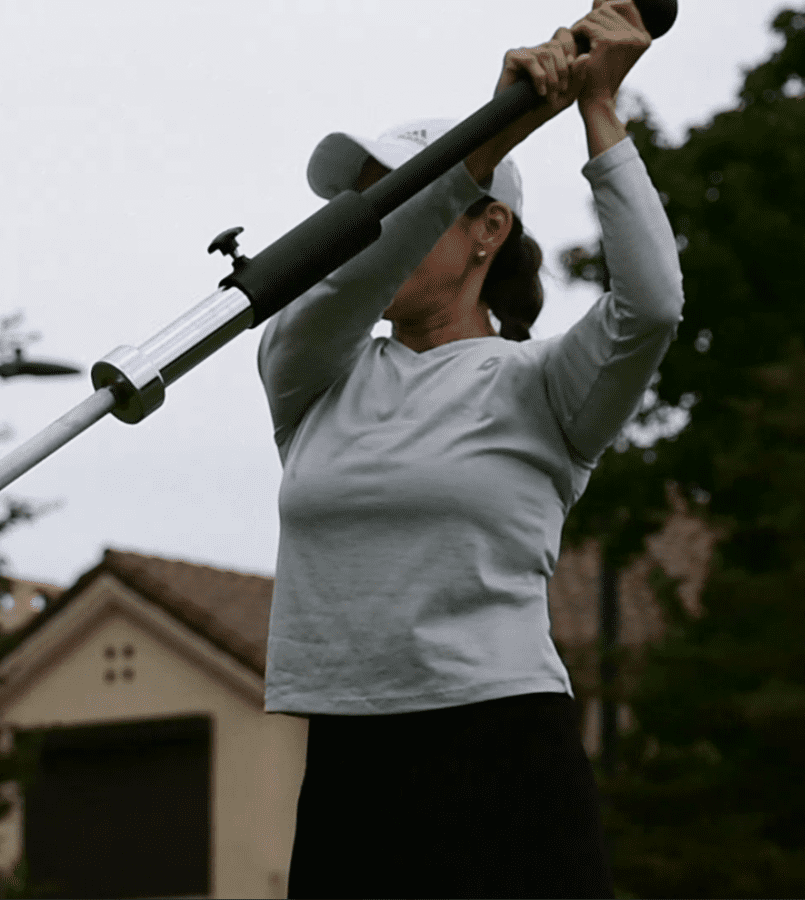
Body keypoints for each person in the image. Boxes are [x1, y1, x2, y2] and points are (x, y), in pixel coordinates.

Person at [258, 1, 684, 896]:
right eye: (357, 205)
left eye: (395, 198)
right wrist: (478, 152)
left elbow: (649, 307)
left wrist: (598, 108)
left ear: (488, 231)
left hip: (504, 755)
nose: (365, 224)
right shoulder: (308, 369)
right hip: (347, 767)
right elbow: (356, 272)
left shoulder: (541, 387)